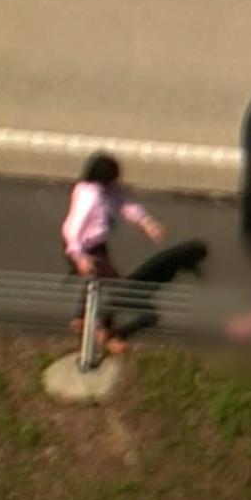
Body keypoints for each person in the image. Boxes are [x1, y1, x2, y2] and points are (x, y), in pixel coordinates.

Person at [61, 151, 165, 354]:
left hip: (97, 245)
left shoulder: (107, 190)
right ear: (106, 178)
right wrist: (79, 257)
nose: (118, 181)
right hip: (85, 248)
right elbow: (70, 229)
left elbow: (124, 204)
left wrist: (147, 223)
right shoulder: (89, 198)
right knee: (114, 288)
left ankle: (81, 318)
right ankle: (105, 333)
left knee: (96, 282)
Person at [106, 240, 208, 343]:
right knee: (150, 317)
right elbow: (145, 270)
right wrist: (124, 289)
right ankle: (118, 335)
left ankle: (114, 334)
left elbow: (188, 265)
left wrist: (199, 274)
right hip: (133, 292)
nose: (197, 262)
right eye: (198, 259)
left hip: (136, 292)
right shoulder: (168, 261)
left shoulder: (174, 260)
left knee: (149, 316)